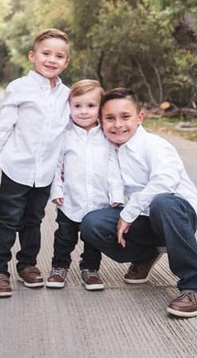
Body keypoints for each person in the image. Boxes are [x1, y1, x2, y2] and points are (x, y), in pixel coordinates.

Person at [80, 87, 197, 318]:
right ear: (101, 122)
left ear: (140, 118)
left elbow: (165, 182)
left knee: (162, 203)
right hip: (145, 219)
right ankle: (145, 254)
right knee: (92, 223)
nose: (117, 124)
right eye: (109, 118)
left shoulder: (155, 145)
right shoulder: (109, 150)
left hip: (179, 213)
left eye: (125, 117)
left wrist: (127, 213)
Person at [0, 28, 71, 298]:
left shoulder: (66, 95)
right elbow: (3, 127)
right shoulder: (19, 88)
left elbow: (69, 134)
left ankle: (27, 265)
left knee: (34, 220)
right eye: (46, 53)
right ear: (32, 56)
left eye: (59, 56)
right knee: (8, 220)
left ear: (66, 62)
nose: (51, 60)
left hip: (45, 172)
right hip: (17, 168)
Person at [46, 79, 123, 291]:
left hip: (99, 199)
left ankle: (90, 269)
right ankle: (59, 267)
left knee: (93, 239)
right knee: (64, 237)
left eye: (90, 106)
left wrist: (116, 193)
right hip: (70, 199)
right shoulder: (65, 135)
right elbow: (56, 166)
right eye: (77, 106)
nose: (83, 111)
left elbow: (113, 165)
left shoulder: (106, 137)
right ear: (69, 107)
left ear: (100, 108)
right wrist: (56, 190)